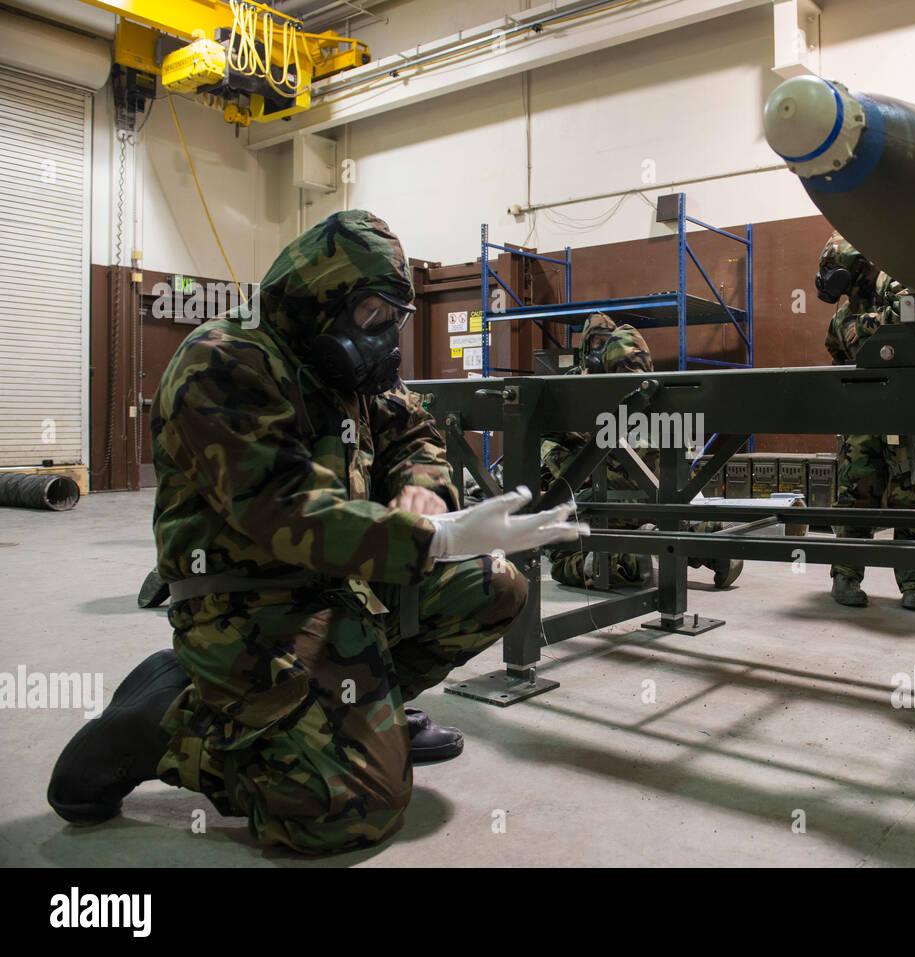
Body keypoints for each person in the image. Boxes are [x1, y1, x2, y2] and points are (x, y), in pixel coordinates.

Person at [47, 210, 582, 854]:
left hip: (338, 589)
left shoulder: (347, 369)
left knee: (494, 585)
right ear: (318, 295)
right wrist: (428, 539)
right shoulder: (223, 361)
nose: (385, 335)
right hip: (248, 606)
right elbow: (283, 509)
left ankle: (356, 715)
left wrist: (424, 489)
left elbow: (415, 434)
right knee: (350, 813)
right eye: (371, 314)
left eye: (395, 319)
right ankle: (169, 727)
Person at [541, 313, 742, 589]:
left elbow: (548, 439)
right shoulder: (659, 386)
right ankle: (711, 541)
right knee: (668, 517)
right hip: (664, 499)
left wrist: (571, 473)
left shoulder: (582, 388)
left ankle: (632, 558)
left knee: (558, 555)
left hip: (606, 499)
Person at [819, 231, 915, 611]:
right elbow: (836, 354)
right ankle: (845, 575)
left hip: (908, 414)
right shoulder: (841, 314)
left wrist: (868, 324)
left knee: (914, 498)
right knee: (855, 496)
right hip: (862, 417)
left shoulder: (900, 284)